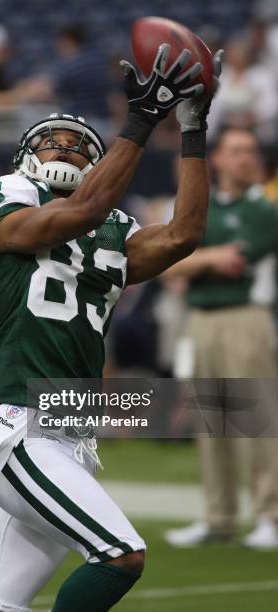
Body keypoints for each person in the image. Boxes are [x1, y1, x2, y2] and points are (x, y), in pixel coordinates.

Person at [0, 45, 222, 612]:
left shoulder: (112, 227)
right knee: (121, 554)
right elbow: (78, 214)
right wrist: (142, 121)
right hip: (23, 428)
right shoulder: (6, 196)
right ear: (25, 153)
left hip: (71, 424)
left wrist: (192, 130)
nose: (66, 147)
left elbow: (184, 235)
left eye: (80, 145)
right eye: (53, 140)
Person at [163, 126, 278, 550]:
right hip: (201, 319)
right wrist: (200, 260)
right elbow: (169, 263)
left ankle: (271, 515)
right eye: (236, 151)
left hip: (246, 317)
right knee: (210, 421)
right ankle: (219, 516)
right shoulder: (202, 208)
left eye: (250, 151)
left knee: (256, 420)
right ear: (220, 160)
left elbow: (234, 259)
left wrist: (197, 259)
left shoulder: (264, 210)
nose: (245, 159)